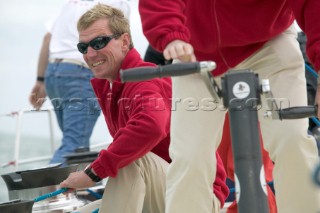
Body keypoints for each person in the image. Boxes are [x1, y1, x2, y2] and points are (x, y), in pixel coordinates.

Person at [139, 1, 320, 213]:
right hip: (194, 49)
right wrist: (169, 33)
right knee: (189, 156)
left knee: (291, 139)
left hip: (269, 41)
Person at [59, 4, 229, 213]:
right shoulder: (110, 86)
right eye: (83, 48)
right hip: (163, 188)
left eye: (99, 42)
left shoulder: (144, 79)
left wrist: (93, 173)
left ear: (124, 41)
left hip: (198, 196)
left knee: (130, 160)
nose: (90, 54)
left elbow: (151, 126)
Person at [144, 44, 277, 213]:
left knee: (252, 173)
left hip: (241, 87)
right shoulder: (166, 41)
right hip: (204, 92)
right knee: (200, 162)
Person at [29, 0, 130, 165]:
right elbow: (122, 44)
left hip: (53, 74)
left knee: (76, 141)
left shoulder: (71, 4)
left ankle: (75, 189)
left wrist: (40, 81)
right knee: (75, 146)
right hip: (81, 74)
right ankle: (45, 189)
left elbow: (48, 38)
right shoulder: (117, 4)